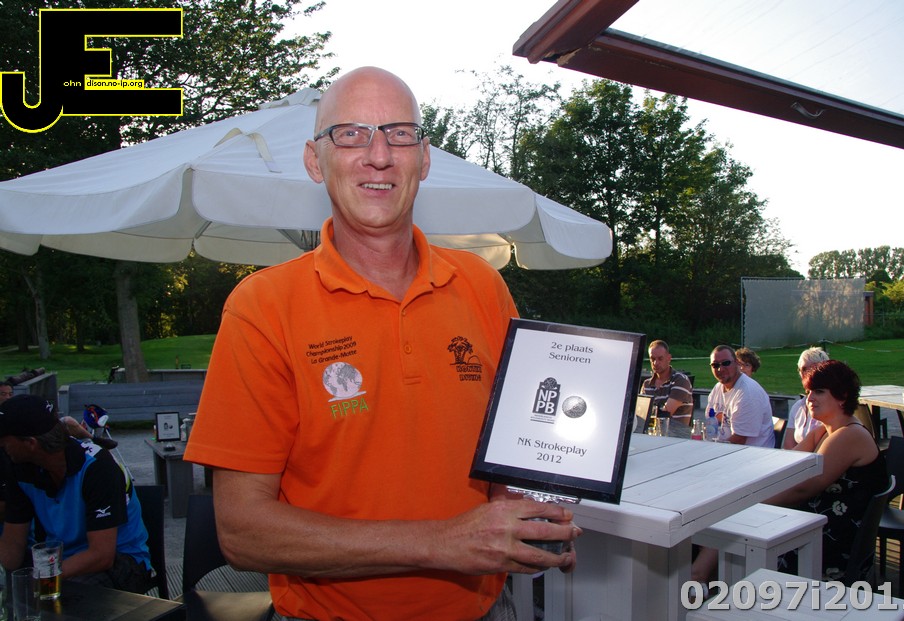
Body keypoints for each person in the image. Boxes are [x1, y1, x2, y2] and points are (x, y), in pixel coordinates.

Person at [183, 67, 579, 621]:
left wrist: (529, 512)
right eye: (350, 134)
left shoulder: (482, 286)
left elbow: (516, 452)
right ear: (314, 160)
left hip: (486, 611)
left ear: (424, 157)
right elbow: (243, 532)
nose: (378, 155)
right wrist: (441, 542)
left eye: (399, 134)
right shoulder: (262, 306)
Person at [0, 394, 152, 592]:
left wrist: (42, 580)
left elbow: (102, 556)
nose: (1, 446)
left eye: (4, 440)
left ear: (30, 443)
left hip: (122, 560)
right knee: (17, 590)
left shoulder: (97, 467)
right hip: (61, 560)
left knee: (59, 596)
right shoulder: (19, 468)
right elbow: (12, 549)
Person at [767, 360, 888, 581]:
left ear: (842, 396)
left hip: (832, 542)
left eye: (819, 391)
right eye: (808, 392)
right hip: (814, 524)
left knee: (742, 536)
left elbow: (804, 489)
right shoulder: (824, 431)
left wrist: (753, 503)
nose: (809, 399)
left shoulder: (849, 435)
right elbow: (785, 465)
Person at [707, 345, 774, 447]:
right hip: (727, 448)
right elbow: (711, 421)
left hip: (750, 453)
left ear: (737, 363)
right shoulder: (718, 388)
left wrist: (711, 448)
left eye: (726, 363)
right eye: (715, 365)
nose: (720, 369)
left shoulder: (748, 393)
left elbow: (739, 439)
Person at [782, 347, 830, 449]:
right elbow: (788, 446)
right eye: (803, 369)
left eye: (813, 369)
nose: (807, 374)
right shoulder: (798, 407)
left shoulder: (829, 406)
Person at [641, 340, 693, 426]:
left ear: (669, 358)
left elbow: (665, 414)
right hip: (651, 432)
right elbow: (641, 414)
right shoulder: (646, 384)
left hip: (676, 433)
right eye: (652, 359)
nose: (655, 363)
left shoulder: (680, 381)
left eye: (660, 358)